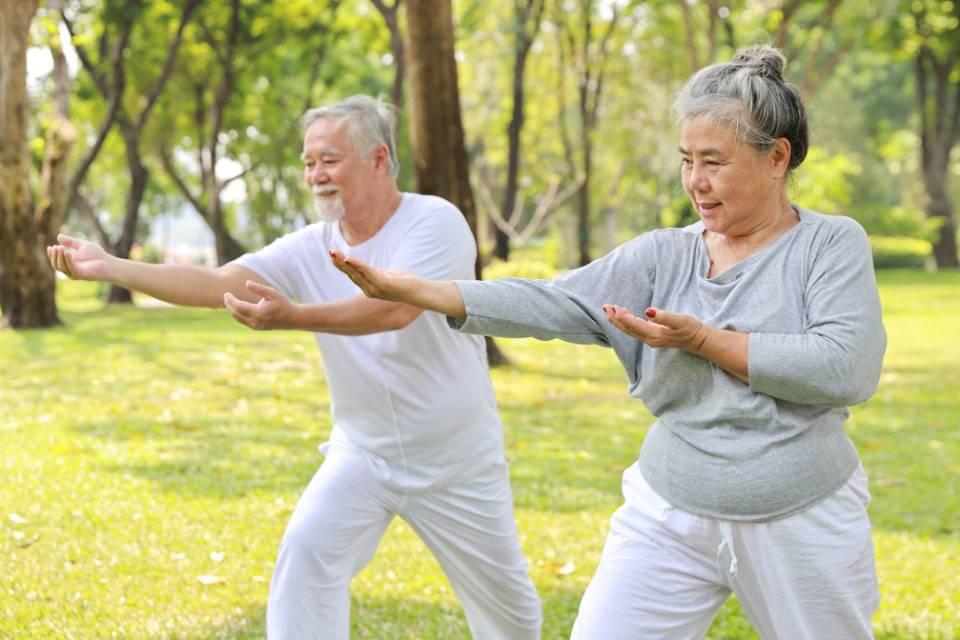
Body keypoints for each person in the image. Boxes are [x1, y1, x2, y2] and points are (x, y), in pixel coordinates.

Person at [332, 47, 886, 639]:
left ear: (776, 158)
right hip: (669, 509)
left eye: (714, 162)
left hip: (800, 514)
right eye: (686, 161)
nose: (695, 182)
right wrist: (430, 292)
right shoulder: (663, 253)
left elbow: (844, 367)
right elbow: (559, 301)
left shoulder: (828, 245)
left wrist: (703, 339)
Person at [47, 95, 542, 640]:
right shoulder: (311, 246)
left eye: (328, 160)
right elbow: (218, 284)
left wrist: (294, 316)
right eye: (308, 163)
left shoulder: (435, 222)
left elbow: (396, 307)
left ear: (378, 160)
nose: (315, 175)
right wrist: (112, 266)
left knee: (510, 618)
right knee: (306, 559)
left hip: (456, 460)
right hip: (365, 455)